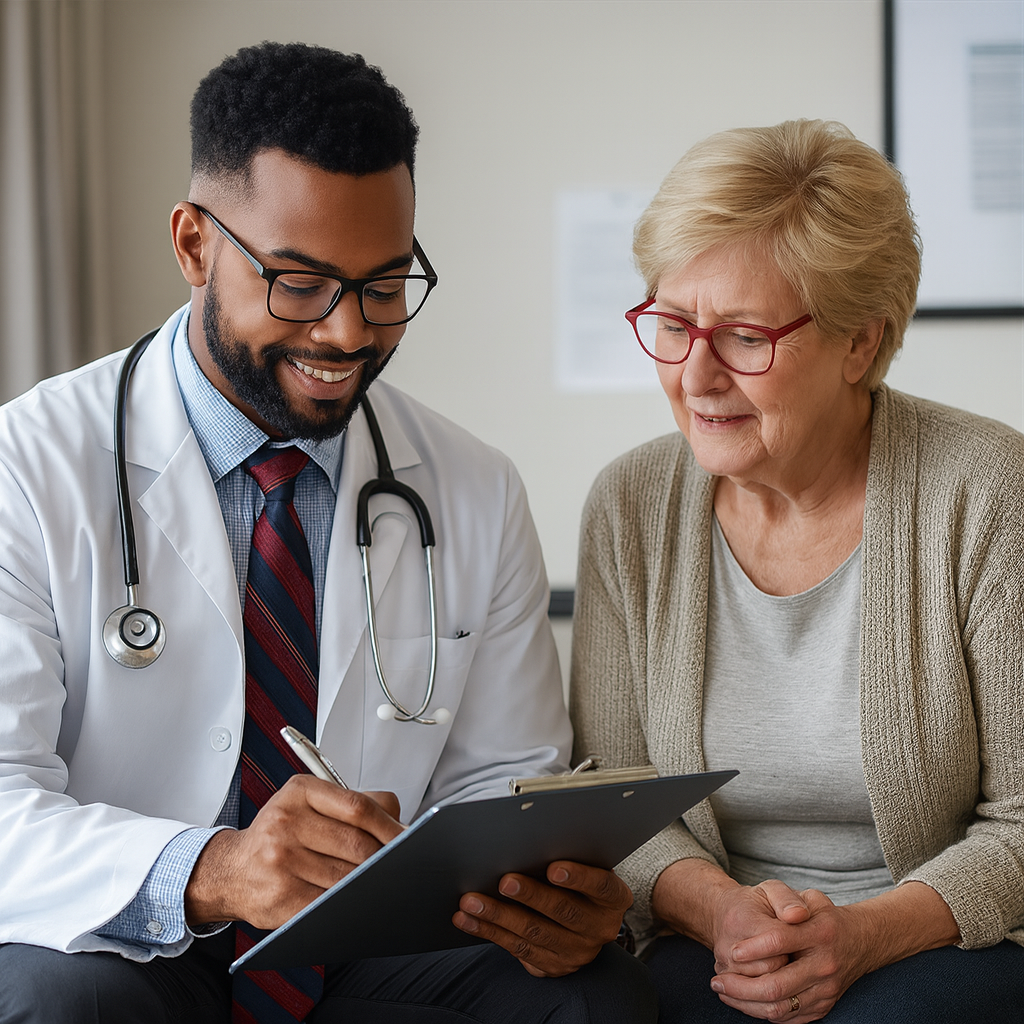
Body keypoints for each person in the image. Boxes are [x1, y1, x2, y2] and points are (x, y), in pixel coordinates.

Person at [0, 42, 657, 1024]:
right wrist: (213, 869)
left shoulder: (470, 488)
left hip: (362, 949)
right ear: (192, 245)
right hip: (128, 937)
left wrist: (545, 901)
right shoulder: (29, 461)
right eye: (299, 283)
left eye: (384, 285)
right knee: (63, 1003)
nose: (349, 333)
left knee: (591, 996)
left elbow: (496, 787)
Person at [569, 119, 1024, 1023]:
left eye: (743, 336)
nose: (695, 376)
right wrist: (721, 911)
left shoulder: (988, 491)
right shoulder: (629, 505)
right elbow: (607, 791)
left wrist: (859, 936)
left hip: (934, 942)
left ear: (861, 342)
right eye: (670, 323)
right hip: (708, 943)